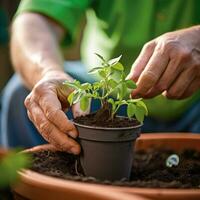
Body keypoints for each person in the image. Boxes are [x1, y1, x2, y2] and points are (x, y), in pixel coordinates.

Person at [1, 0, 200, 154]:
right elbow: (34, 20)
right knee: (24, 93)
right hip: (106, 95)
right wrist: (48, 72)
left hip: (195, 104)